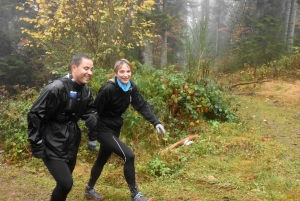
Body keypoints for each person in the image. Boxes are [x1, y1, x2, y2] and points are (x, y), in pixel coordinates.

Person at [84, 58, 166, 201]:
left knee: (101, 159)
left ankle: (89, 189)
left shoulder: (130, 87)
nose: (125, 75)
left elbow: (141, 104)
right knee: (129, 155)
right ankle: (135, 194)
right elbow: (94, 113)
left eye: (128, 71)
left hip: (115, 127)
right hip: (102, 128)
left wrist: (156, 122)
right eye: (122, 71)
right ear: (116, 73)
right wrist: (92, 137)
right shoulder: (108, 89)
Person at [27, 54, 98, 201]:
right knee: (66, 183)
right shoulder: (55, 88)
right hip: (51, 141)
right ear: (74, 68)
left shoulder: (86, 91)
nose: (89, 72)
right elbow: (35, 114)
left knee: (64, 184)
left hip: (71, 141)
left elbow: (91, 109)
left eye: (91, 69)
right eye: (86, 68)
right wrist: (36, 143)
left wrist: (92, 117)